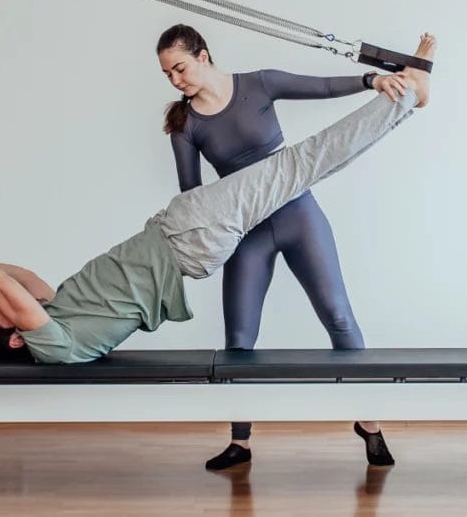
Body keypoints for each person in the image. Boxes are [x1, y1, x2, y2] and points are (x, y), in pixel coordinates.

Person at [0, 33, 435, 442]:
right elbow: (1, 285)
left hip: (186, 225)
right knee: (303, 165)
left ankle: (403, 98)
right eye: (11, 314)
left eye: (180, 68)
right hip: (190, 235)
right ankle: (409, 95)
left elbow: (15, 277)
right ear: (20, 337)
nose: (20, 304)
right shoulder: (54, 342)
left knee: (303, 172)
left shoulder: (60, 311)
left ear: (202, 57)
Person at [157, 24, 406, 469]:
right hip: (245, 231)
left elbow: (323, 87)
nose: (176, 80)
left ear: (204, 55)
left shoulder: (259, 84)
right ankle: (241, 442)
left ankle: (369, 424)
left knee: (339, 315)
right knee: (240, 338)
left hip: (298, 216)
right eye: (168, 75)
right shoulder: (186, 125)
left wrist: (373, 80)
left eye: (180, 68)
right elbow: (192, 195)